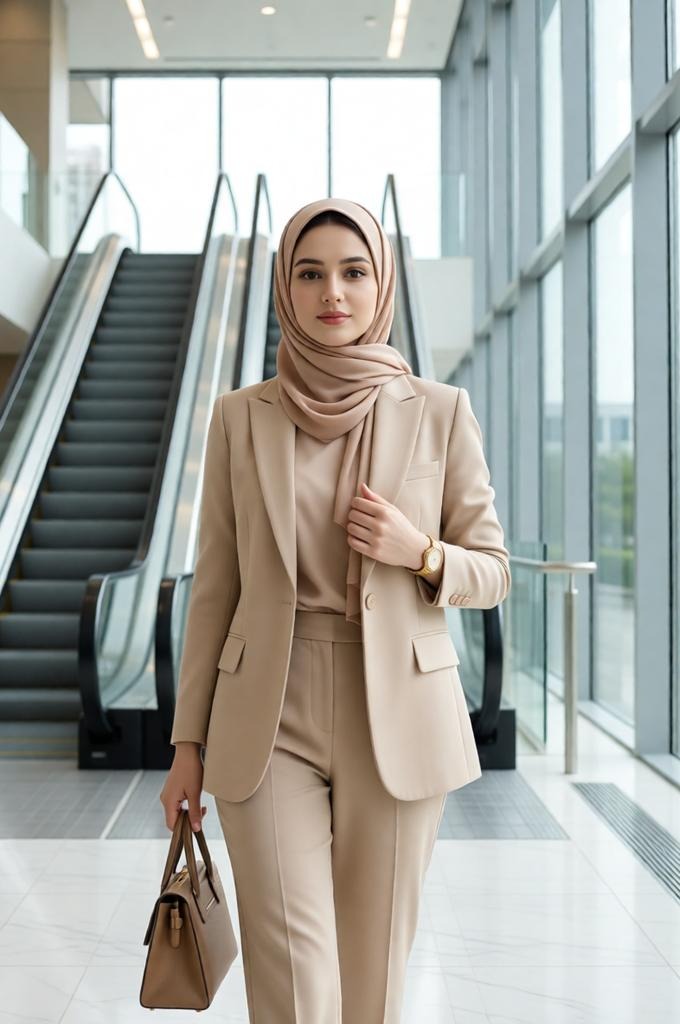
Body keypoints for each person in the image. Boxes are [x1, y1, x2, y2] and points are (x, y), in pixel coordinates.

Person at [160, 197, 511, 1023]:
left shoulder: (438, 410)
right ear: (285, 286)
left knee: (372, 974)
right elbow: (216, 587)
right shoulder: (240, 418)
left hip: (398, 705)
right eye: (310, 272)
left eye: (354, 272)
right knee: (291, 969)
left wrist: (417, 551)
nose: (333, 293)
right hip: (265, 714)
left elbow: (493, 570)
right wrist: (186, 746)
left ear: (380, 282)